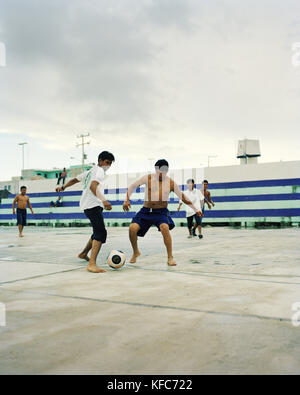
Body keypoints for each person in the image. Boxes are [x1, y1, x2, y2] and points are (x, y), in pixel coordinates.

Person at [123, 159, 203, 266]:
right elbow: (132, 186)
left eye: (163, 172)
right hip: (146, 211)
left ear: (166, 171)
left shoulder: (170, 183)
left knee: (165, 228)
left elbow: (183, 197)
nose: (160, 174)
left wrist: (195, 209)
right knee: (132, 228)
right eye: (158, 172)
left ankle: (170, 257)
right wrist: (126, 199)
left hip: (161, 212)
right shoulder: (148, 178)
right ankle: (135, 252)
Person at [56, 151, 115, 273]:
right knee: (100, 232)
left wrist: (63, 187)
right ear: (100, 161)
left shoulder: (90, 171)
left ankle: (83, 253)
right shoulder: (99, 171)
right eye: (107, 162)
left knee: (97, 231)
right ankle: (91, 264)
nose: (108, 166)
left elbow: (74, 180)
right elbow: (93, 187)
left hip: (87, 204)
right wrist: (104, 201)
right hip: (93, 204)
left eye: (110, 164)